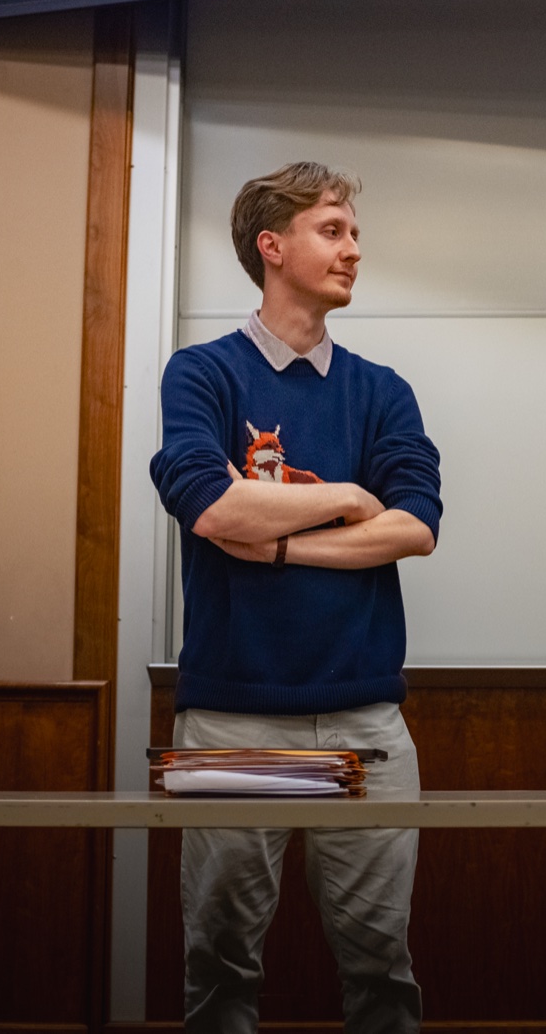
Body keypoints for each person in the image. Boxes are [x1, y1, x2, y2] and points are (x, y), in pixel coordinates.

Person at [149, 161, 441, 1034]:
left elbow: (414, 527)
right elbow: (211, 503)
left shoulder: (381, 390)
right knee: (218, 964)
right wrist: (350, 498)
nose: (354, 249)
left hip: (364, 724)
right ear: (271, 247)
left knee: (381, 965)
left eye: (353, 232)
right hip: (232, 718)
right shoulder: (201, 374)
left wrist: (273, 542)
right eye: (333, 230)